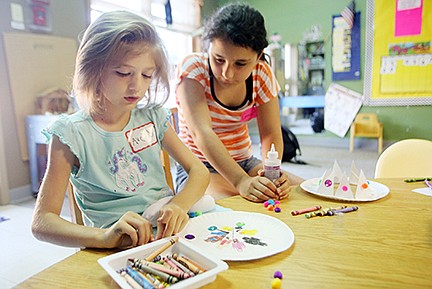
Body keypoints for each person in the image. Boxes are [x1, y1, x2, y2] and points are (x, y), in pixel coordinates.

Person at [31, 11, 209, 250]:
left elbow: (199, 171)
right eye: (124, 73)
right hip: (116, 247)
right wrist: (103, 237)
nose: (137, 86)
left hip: (169, 236)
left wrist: (179, 205)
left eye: (147, 75)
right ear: (93, 68)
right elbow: (42, 222)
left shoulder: (153, 118)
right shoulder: (70, 134)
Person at [175, 3, 303, 202]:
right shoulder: (194, 69)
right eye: (218, 59)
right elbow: (201, 132)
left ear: (258, 56)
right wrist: (240, 181)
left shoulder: (262, 74)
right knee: (231, 206)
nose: (227, 73)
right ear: (208, 48)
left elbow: (270, 132)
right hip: (198, 166)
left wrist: (272, 172)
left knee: (303, 191)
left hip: (246, 162)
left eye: (241, 64)